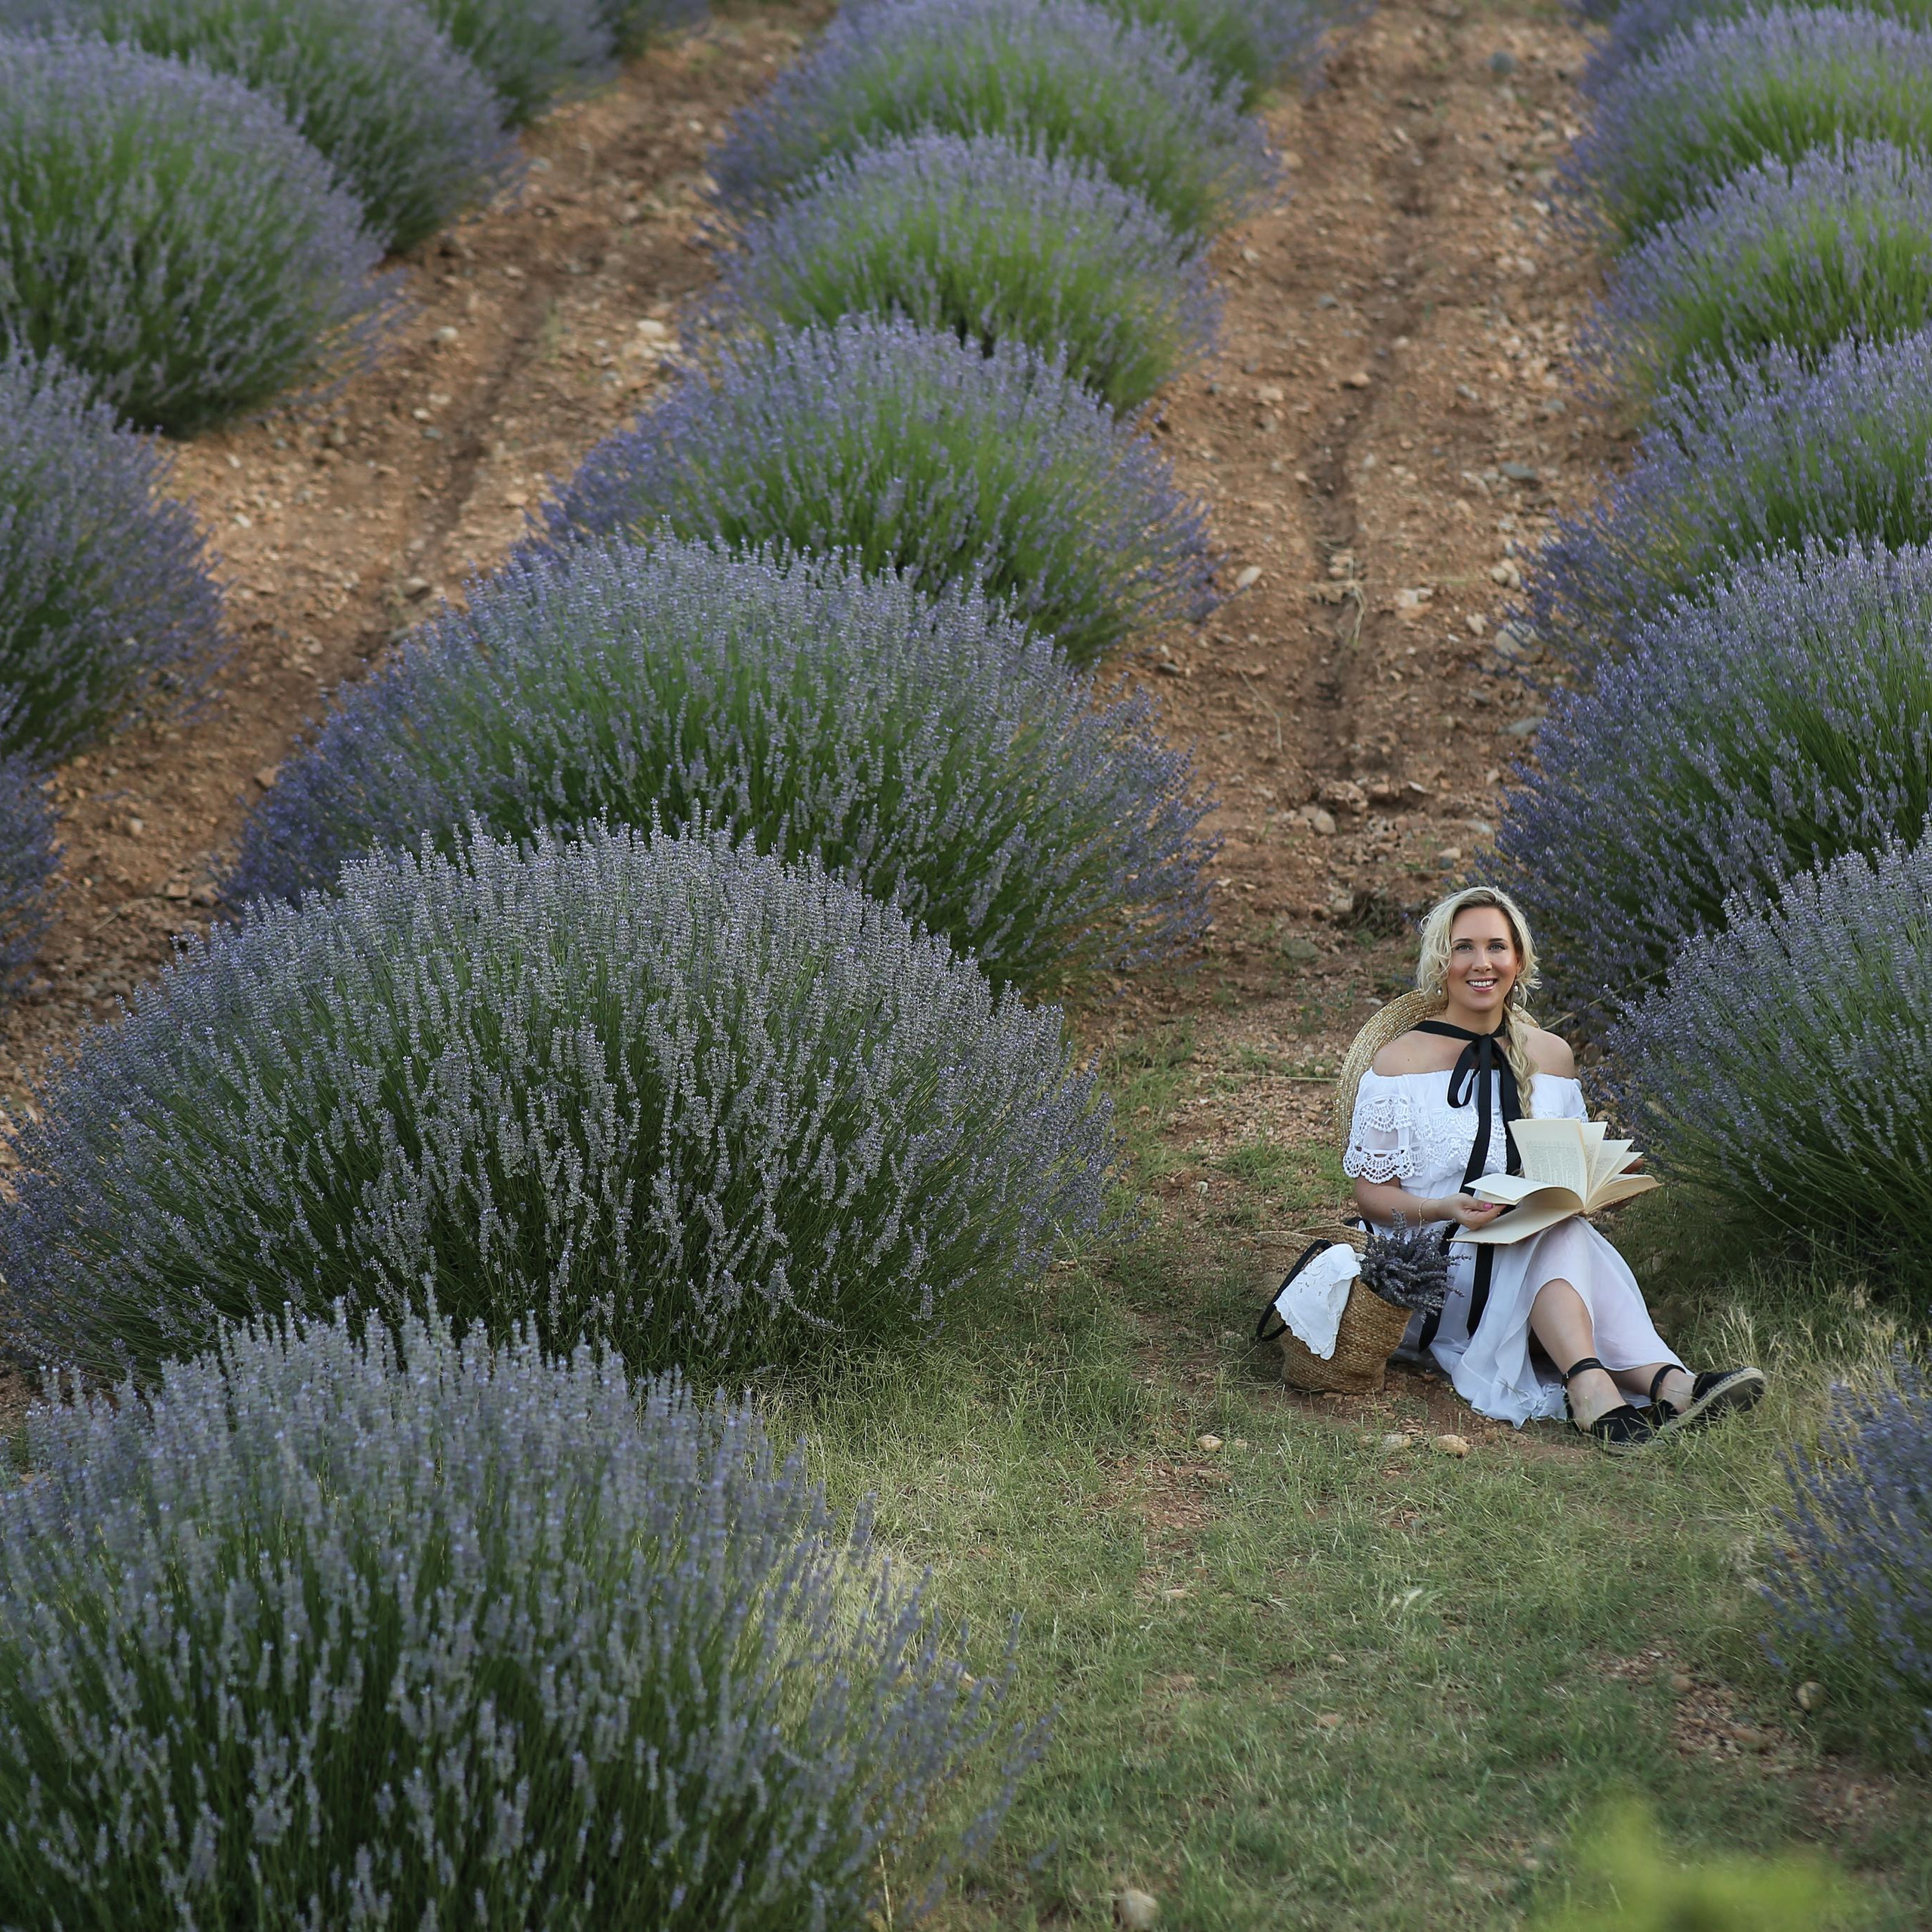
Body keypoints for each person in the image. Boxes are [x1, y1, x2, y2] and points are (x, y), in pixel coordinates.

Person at [1340, 884, 1764, 1452]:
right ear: (1442, 961)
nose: (1482, 963)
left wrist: (1600, 1186)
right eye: (1464, 947)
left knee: (1561, 1223)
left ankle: (1633, 1386)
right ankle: (1651, 1382)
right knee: (1557, 1234)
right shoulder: (1399, 1064)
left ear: (1518, 960)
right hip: (1435, 1267)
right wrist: (1444, 1207)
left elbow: (1561, 1175)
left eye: (1497, 947)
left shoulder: (1553, 1057)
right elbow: (1371, 1197)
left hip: (1530, 1243)